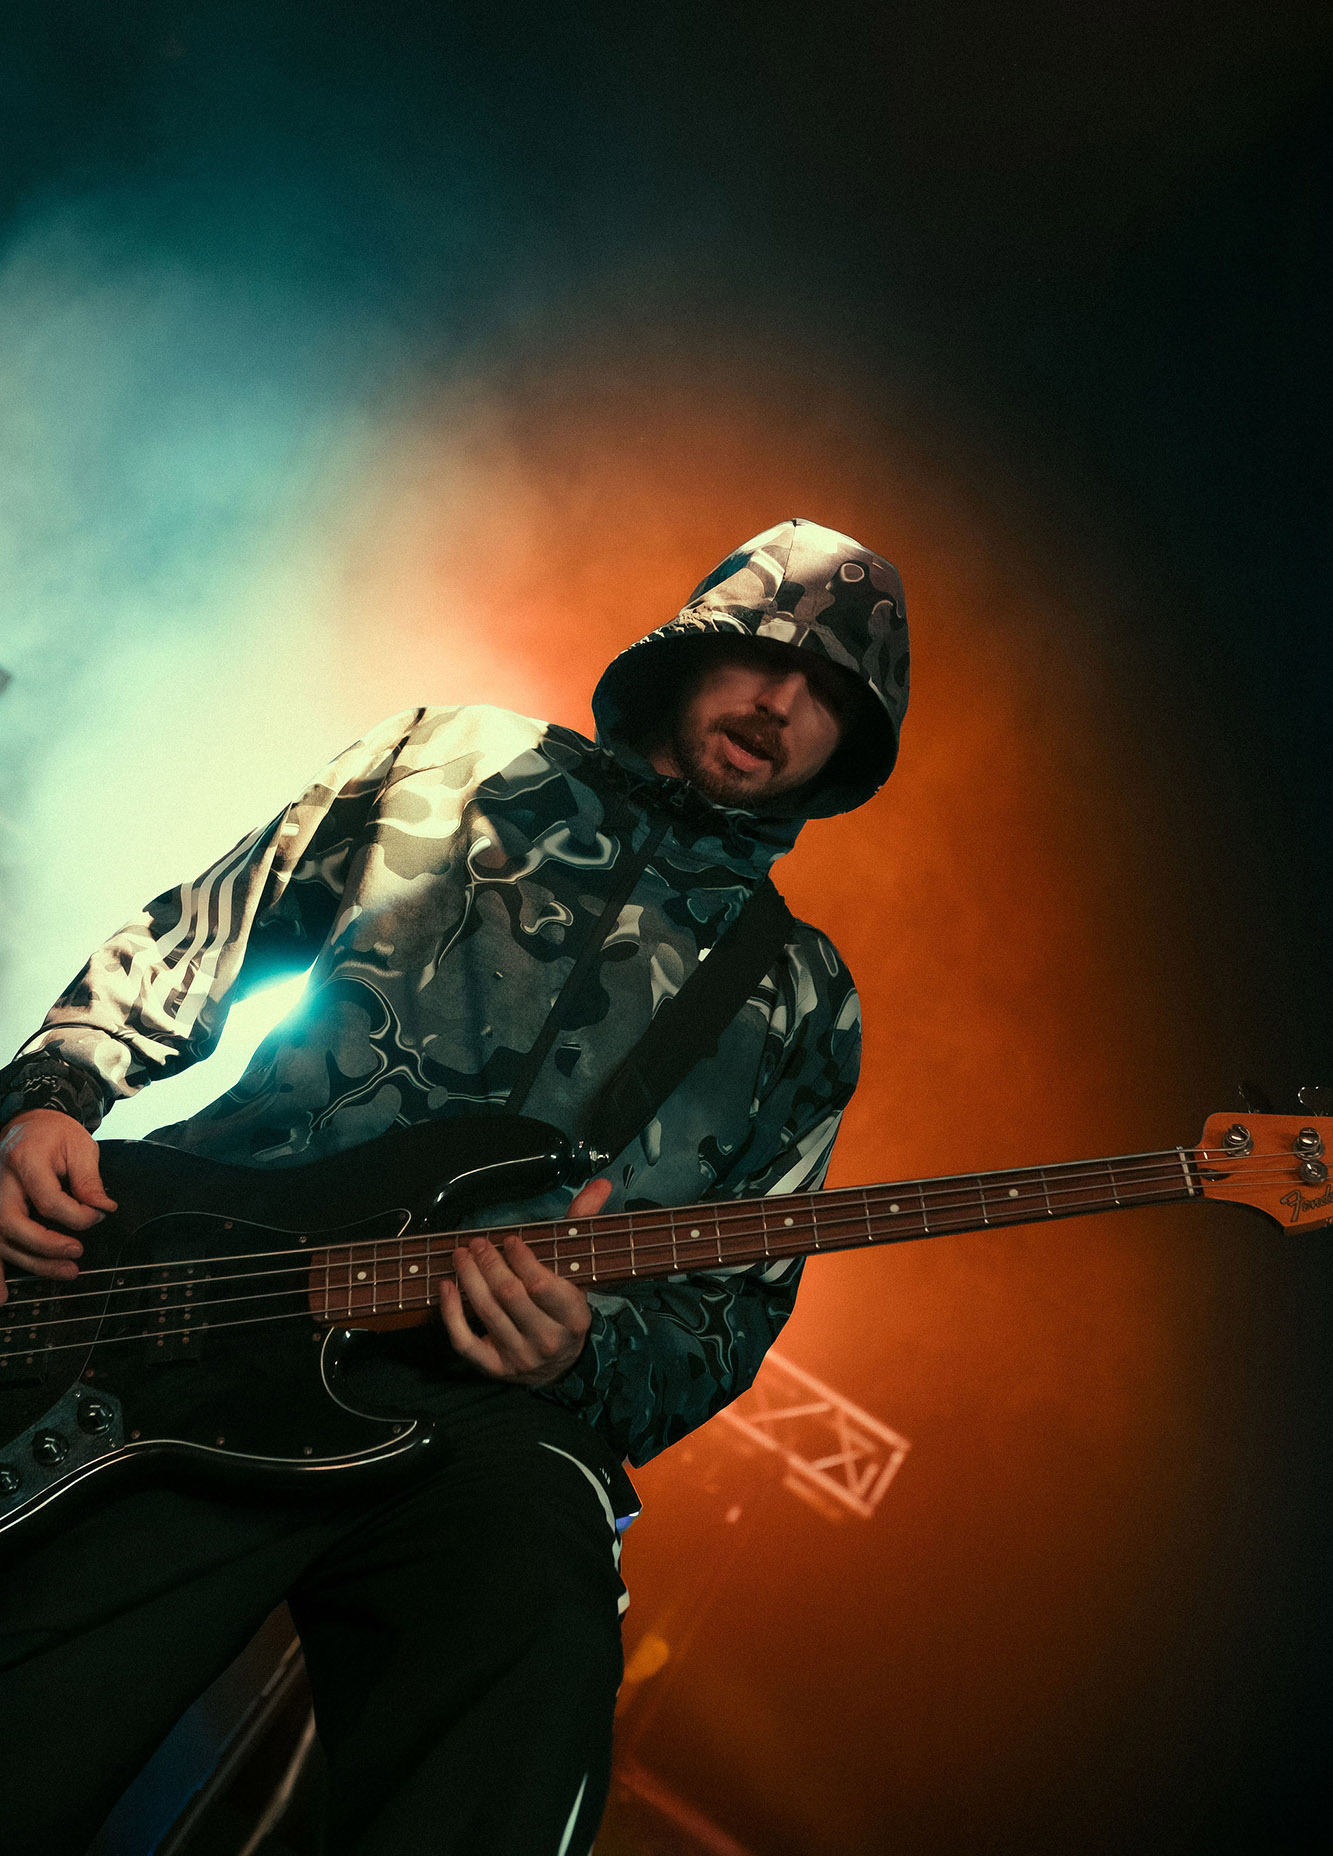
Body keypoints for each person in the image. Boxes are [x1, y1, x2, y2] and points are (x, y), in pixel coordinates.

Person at [0, 518, 909, 1856]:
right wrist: (53, 1091)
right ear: (691, 650)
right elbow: (209, 929)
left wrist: (584, 1351)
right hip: (221, 1299)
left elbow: (727, 1318)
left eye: (828, 694)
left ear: (848, 747)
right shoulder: (452, 758)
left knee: (536, 1632)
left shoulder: (804, 999)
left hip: (484, 1412)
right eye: (763, 656)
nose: (782, 702)